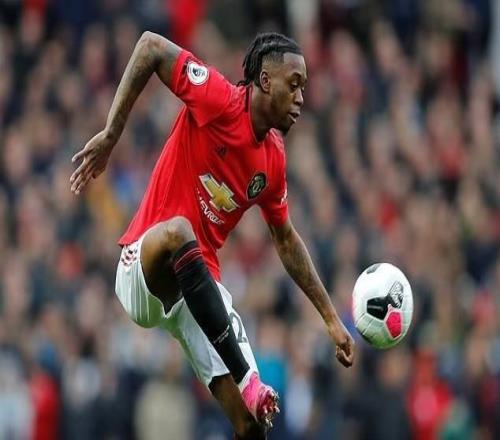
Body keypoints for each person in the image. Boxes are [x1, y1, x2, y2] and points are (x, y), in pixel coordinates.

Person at [70, 30, 355, 439]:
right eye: (294, 84)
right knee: (178, 231)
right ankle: (247, 378)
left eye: (304, 88)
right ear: (265, 80)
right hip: (143, 272)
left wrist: (330, 317)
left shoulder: (273, 161)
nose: (301, 98)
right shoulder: (218, 99)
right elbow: (150, 47)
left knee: (252, 424)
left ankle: (247, 393)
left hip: (199, 294)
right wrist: (112, 134)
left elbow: (286, 239)